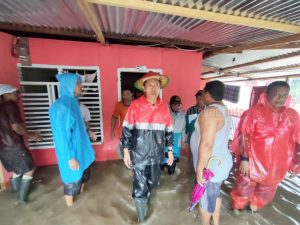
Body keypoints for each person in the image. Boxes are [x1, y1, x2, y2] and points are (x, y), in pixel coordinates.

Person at [231, 81, 300, 213]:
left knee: (267, 189)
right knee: (244, 185)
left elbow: (298, 140)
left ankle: (253, 207)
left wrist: (297, 164)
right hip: (252, 161)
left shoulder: (293, 116)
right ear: (267, 94)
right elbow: (244, 136)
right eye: (276, 94)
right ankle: (238, 206)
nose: (280, 98)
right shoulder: (253, 113)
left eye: (284, 95)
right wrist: (245, 159)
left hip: (277, 164)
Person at [122, 71, 174, 223]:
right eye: (150, 85)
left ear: (160, 87)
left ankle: (147, 200)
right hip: (139, 153)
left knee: (153, 182)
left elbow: (169, 130)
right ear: (144, 88)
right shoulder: (135, 105)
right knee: (139, 185)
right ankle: (141, 219)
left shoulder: (164, 107)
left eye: (156, 85)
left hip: (157, 153)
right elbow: (127, 129)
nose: (153, 88)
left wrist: (170, 151)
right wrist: (126, 151)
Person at [190, 81, 233, 225]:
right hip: (221, 162)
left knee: (205, 201)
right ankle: (215, 222)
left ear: (207, 94)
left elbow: (207, 144)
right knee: (214, 195)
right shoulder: (225, 109)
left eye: (202, 94)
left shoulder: (211, 112)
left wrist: (200, 169)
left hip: (211, 165)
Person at [49, 74, 95, 207]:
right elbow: (61, 136)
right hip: (72, 152)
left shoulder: (73, 102)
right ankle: (71, 208)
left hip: (82, 149)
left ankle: (82, 204)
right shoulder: (60, 107)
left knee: (84, 176)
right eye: (79, 83)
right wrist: (70, 157)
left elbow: (77, 127)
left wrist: (89, 132)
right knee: (72, 181)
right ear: (70, 85)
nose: (81, 86)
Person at [0, 84, 43, 204]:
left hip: (3, 148)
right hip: (13, 145)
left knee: (18, 169)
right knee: (30, 169)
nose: (18, 95)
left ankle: (14, 193)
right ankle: (21, 199)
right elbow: (15, 126)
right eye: (16, 93)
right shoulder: (10, 105)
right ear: (6, 94)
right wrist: (32, 135)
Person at [161, 95, 186, 174]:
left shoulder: (182, 115)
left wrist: (183, 141)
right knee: (162, 163)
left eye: (178, 104)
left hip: (177, 141)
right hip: (167, 139)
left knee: (171, 169)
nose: (176, 106)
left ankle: (170, 170)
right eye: (174, 104)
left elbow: (183, 129)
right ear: (170, 104)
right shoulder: (165, 113)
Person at [111, 86, 133, 158]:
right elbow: (114, 117)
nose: (126, 96)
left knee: (134, 153)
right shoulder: (119, 105)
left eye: (128, 94)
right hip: (122, 133)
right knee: (125, 154)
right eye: (124, 94)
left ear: (132, 94)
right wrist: (112, 130)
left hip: (134, 133)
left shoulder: (136, 104)